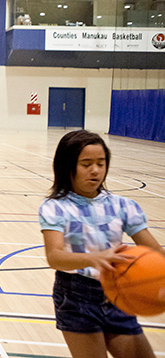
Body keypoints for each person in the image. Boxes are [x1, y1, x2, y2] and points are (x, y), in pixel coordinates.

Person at [39, 130, 165, 358]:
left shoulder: (123, 205)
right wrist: (94, 258)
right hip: (76, 296)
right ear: (68, 167)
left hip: (120, 291)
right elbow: (54, 256)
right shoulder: (55, 207)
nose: (95, 170)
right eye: (86, 164)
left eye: (101, 163)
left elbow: (154, 250)